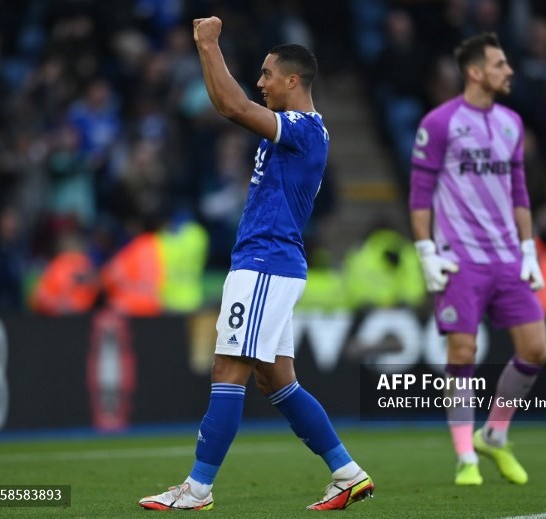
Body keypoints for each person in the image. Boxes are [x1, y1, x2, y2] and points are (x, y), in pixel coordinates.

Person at [138, 16, 373, 511]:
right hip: (269, 263)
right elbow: (235, 103)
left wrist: (207, 45)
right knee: (275, 379)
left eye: (267, 74)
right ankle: (347, 473)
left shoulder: (304, 130)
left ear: (293, 80)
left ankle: (197, 488)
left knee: (228, 368)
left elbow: (231, 105)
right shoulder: (297, 131)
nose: (260, 81)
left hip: (266, 263)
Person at [409, 32, 546, 486]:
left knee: (536, 349)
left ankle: (495, 434)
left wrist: (528, 249)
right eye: (499, 64)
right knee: (463, 351)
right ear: (475, 72)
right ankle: (466, 456)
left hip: (508, 257)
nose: (509, 71)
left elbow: (520, 192)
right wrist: (425, 250)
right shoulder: (440, 122)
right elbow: (420, 194)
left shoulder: (512, 123)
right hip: (460, 259)